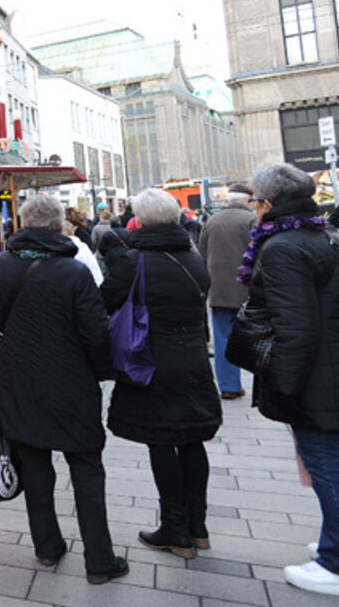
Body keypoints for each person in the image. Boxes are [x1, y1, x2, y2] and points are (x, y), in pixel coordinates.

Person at [0, 194, 127, 584]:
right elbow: (96, 332)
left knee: (36, 465)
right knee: (87, 468)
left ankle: (47, 547)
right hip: (71, 383)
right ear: (61, 228)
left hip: (18, 381)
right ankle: (100, 559)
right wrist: (101, 371)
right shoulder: (74, 272)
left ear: (22, 225)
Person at [236, 163, 339, 597]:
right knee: (337, 462)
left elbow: (296, 329)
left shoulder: (282, 247)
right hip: (334, 366)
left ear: (267, 204)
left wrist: (282, 388)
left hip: (316, 377)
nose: (253, 208)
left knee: (328, 465)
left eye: (254, 201)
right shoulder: (327, 235)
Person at [99, 188, 220, 560]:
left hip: (150, 361)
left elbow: (103, 301)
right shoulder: (193, 256)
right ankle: (197, 528)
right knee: (191, 439)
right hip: (193, 360)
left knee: (162, 439)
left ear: (141, 219)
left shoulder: (134, 261)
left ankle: (174, 530)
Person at [197, 183, 255, 400]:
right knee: (256, 336)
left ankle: (228, 385)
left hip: (219, 290)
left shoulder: (211, 221)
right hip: (248, 289)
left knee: (222, 337)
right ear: (246, 200)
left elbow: (201, 252)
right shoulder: (252, 220)